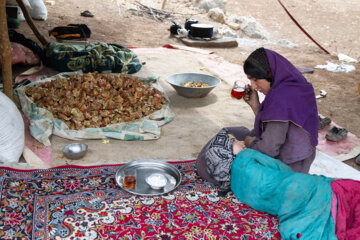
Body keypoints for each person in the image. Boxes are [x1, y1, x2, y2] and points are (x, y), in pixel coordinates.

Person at [196, 47, 319, 187]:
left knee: (229, 147)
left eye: (256, 80)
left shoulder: (281, 98)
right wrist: (256, 106)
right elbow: (277, 127)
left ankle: (214, 173)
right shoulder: (293, 84)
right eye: (250, 80)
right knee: (235, 132)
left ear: (270, 74)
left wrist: (249, 143)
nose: (253, 87)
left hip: (287, 167)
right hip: (300, 156)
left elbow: (269, 150)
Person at [206, 130, 360, 239]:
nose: (240, 141)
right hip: (302, 187)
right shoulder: (246, 155)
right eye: (233, 141)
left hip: (287, 205)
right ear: (225, 152)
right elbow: (282, 168)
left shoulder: (234, 187)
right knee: (349, 191)